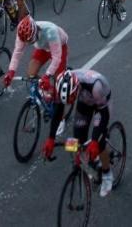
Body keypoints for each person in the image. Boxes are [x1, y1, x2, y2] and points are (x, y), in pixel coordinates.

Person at [43, 69, 117, 197]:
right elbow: (58, 112)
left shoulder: (96, 87)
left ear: (77, 88)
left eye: (72, 99)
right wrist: (50, 138)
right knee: (77, 141)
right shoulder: (60, 84)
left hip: (101, 102)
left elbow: (103, 115)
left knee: (99, 143)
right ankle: (89, 162)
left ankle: (107, 174)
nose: (70, 103)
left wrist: (94, 140)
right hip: (84, 100)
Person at [2, 15, 69, 99]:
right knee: (31, 74)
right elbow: (17, 52)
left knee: (58, 80)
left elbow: (56, 58)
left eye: (31, 41)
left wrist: (47, 76)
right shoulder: (22, 33)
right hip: (43, 48)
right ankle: (48, 90)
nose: (28, 43)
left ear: (37, 31)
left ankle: (57, 98)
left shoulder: (50, 31)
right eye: (27, 42)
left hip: (59, 47)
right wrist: (11, 72)